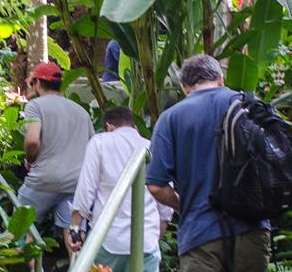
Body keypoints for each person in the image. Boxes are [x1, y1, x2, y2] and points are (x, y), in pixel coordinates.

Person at [146, 54, 270, 271]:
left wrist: (182, 205)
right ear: (221, 79)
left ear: (184, 87)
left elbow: (156, 185)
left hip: (200, 233)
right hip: (251, 229)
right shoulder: (247, 104)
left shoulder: (171, 118)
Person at [70, 106, 170, 272]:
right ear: (135, 127)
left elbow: (85, 191)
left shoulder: (100, 142)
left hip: (108, 239)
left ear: (109, 126)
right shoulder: (150, 147)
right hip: (146, 240)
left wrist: (74, 227)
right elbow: (164, 194)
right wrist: (157, 234)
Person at [19, 62, 92, 241]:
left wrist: (30, 160)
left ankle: (33, 269)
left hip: (43, 179)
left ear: (36, 83)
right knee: (72, 230)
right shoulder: (81, 112)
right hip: (75, 182)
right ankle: (78, 266)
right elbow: (92, 147)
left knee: (22, 226)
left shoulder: (35, 106)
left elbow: (32, 140)